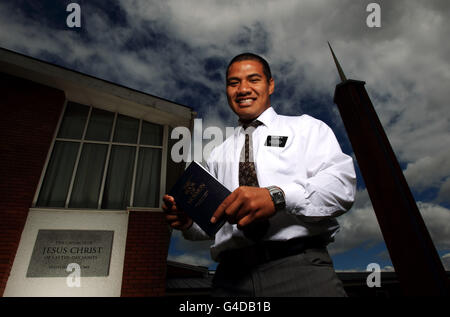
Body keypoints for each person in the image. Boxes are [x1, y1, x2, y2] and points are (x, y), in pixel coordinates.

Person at [163, 52, 356, 297]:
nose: (243, 89)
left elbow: (341, 188)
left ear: (270, 84)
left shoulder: (307, 128)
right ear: (227, 90)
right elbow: (212, 224)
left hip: (301, 270)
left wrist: (277, 197)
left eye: (253, 79)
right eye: (234, 83)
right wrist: (188, 222)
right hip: (230, 279)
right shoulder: (215, 155)